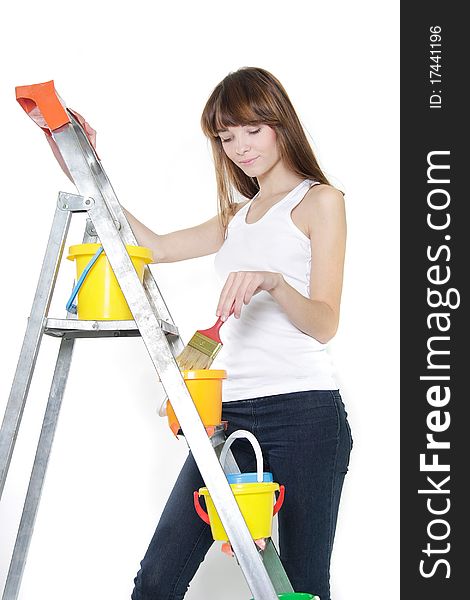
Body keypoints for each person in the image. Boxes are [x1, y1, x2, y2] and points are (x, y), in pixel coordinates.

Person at [126, 67, 352, 600]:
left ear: (280, 122)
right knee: (157, 580)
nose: (239, 148)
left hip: (304, 413)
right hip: (228, 417)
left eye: (251, 130)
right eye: (226, 138)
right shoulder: (236, 217)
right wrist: (78, 159)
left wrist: (273, 281)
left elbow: (325, 322)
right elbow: (154, 246)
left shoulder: (320, 202)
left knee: (301, 587)